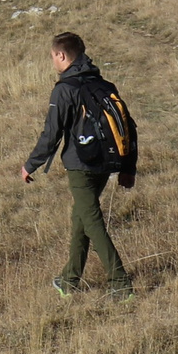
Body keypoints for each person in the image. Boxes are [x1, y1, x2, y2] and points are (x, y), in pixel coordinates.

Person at [19, 30, 136, 299]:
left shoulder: (65, 89)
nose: (52, 62)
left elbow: (51, 134)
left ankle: (120, 282)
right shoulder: (104, 86)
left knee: (92, 222)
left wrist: (30, 165)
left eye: (52, 57)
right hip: (106, 162)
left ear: (61, 55)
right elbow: (128, 127)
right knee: (81, 219)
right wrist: (128, 167)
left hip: (81, 166)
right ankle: (69, 280)